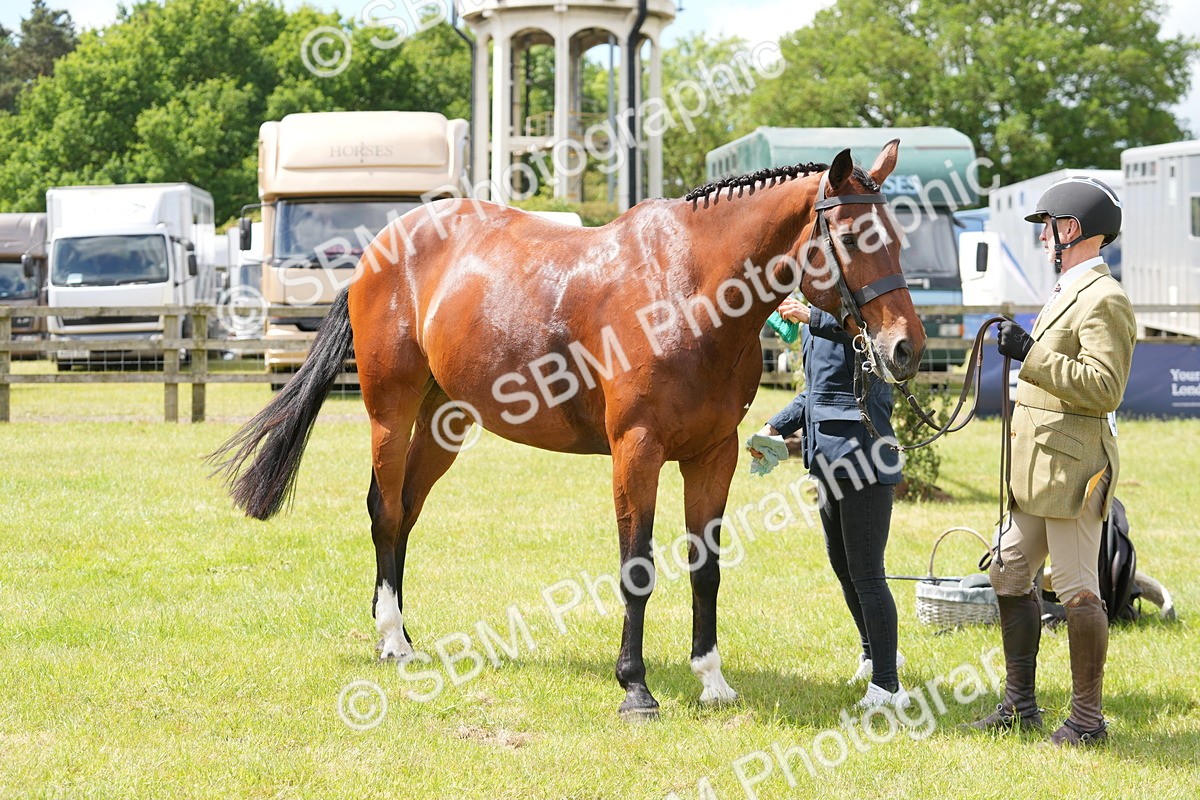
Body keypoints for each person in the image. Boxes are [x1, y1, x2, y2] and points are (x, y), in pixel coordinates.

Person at [967, 176, 1135, 746]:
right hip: (1037, 467)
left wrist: (1030, 354)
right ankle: (1020, 705)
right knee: (1009, 569)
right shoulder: (1068, 289)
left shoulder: (1104, 297)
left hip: (1072, 467)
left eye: (1047, 228)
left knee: (1077, 589)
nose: (1043, 240)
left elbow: (1104, 387)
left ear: (1071, 230)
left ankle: (1088, 720)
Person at [748, 296, 908, 709]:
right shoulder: (812, 327)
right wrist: (772, 427)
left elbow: (871, 340)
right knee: (844, 567)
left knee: (868, 574)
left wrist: (813, 316)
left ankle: (889, 686)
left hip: (864, 459)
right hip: (827, 461)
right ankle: (875, 654)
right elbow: (813, 394)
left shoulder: (862, 317)